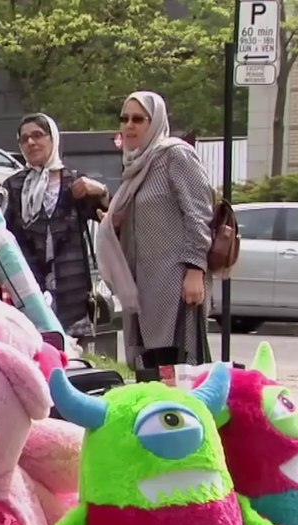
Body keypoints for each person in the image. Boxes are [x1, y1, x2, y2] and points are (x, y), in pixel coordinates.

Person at [94, 91, 214, 371]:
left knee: (179, 369)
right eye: (124, 119)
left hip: (176, 284)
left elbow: (199, 213)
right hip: (143, 286)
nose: (129, 126)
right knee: (150, 370)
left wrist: (196, 269)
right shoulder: (136, 165)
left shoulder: (175, 155)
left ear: (156, 121)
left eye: (138, 119)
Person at [0, 113, 111, 342]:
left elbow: (110, 217)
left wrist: (101, 190)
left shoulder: (75, 183)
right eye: (24, 139)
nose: (31, 142)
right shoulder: (13, 186)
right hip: (30, 287)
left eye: (38, 135)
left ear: (53, 139)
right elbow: (3, 234)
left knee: (73, 358)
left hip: (72, 288)